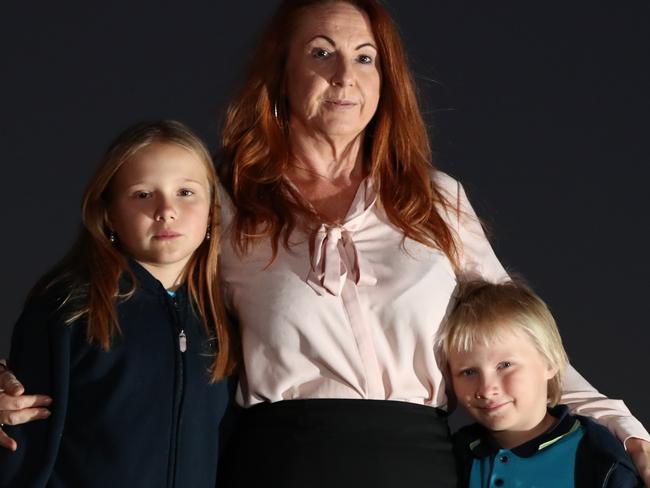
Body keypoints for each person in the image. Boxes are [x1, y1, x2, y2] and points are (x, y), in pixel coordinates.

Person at [2, 1, 650, 486]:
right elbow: (130, 298)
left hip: (417, 467)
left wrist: (626, 430)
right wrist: (19, 377)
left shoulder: (437, 199)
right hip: (279, 464)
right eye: (320, 53)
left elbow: (524, 343)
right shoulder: (225, 198)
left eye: (364, 56)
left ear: (385, 77)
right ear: (281, 74)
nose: (345, 74)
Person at [0, 120, 235, 487]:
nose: (166, 210)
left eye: (186, 193)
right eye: (143, 194)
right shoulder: (69, 306)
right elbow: (21, 440)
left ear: (213, 211)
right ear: (109, 213)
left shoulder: (225, 314)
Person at [436, 280, 642, 487]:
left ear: (550, 362)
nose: (487, 389)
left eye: (505, 365)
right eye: (469, 372)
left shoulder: (598, 456)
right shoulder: (454, 454)